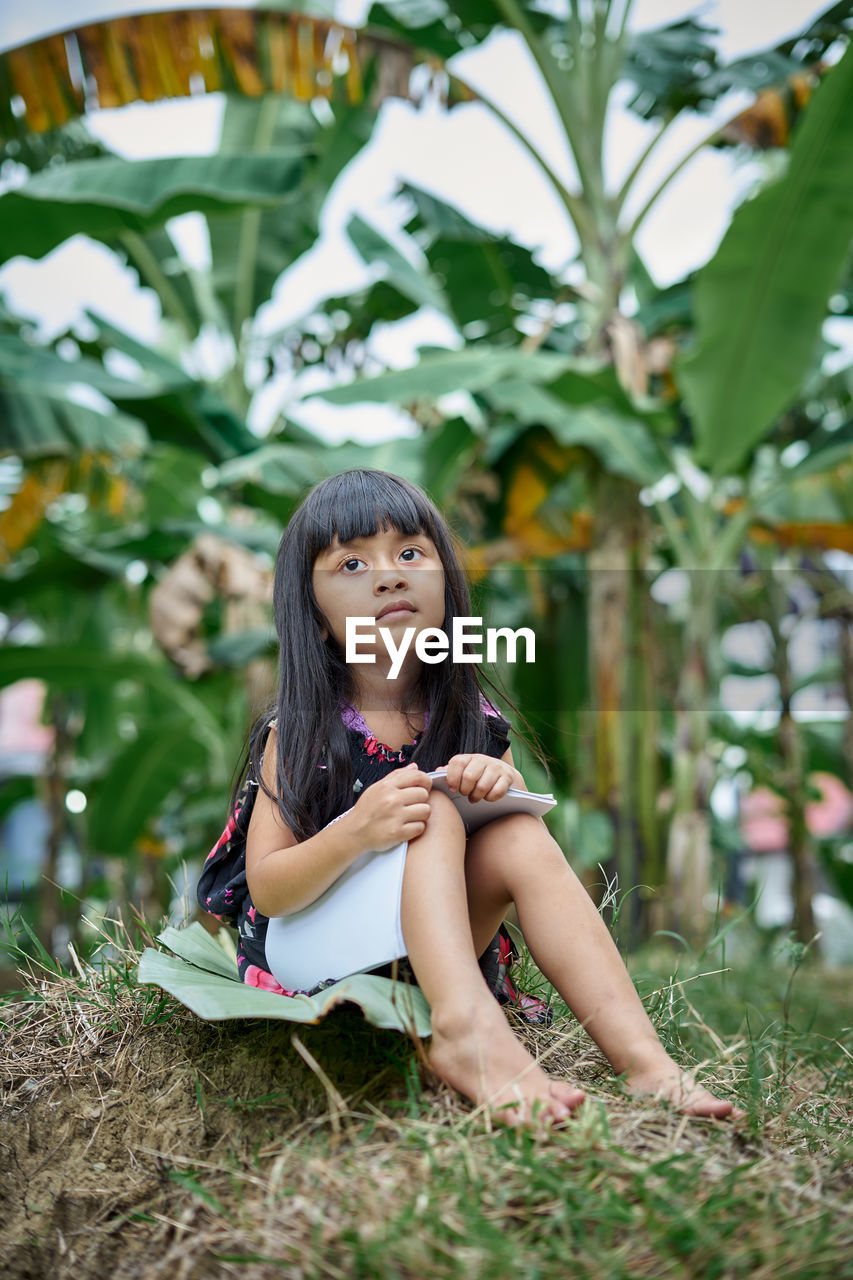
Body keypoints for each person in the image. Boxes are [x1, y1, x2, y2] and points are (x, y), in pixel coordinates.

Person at [199, 469, 742, 1128]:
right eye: (350, 562)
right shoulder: (300, 730)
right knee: (431, 818)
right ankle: (464, 1030)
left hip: (428, 949)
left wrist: (500, 787)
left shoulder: (470, 717)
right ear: (313, 619)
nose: (389, 575)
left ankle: (645, 1064)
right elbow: (271, 889)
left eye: (409, 552)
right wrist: (357, 832)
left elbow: (519, 850)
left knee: (512, 831)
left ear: (446, 585)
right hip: (308, 951)